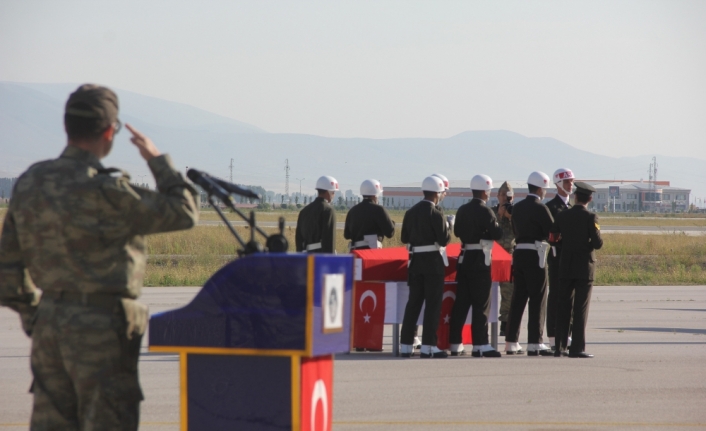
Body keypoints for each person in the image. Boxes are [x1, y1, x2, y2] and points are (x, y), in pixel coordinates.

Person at [0, 84, 199, 430]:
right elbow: (184, 211)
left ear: (67, 127)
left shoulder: (31, 182)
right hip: (103, 330)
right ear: (110, 131)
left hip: (50, 328)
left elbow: (7, 272)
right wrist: (155, 159)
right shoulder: (106, 190)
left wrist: (38, 315)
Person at [448, 174, 503, 357]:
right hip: (481, 260)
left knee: (462, 303)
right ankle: (481, 344)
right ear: (486, 192)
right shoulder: (486, 211)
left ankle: (455, 342)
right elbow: (497, 233)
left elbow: (456, 231)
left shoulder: (463, 210)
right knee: (481, 304)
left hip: (465, 259)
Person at [399, 176, 451, 358]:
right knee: (432, 305)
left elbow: (404, 238)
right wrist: (448, 225)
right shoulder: (436, 213)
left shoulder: (411, 212)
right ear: (437, 193)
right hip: (433, 264)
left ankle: (406, 345)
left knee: (413, 303)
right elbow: (444, 239)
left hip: (415, 262)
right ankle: (429, 346)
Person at [504, 171, 554, 356]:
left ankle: (511, 341)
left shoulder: (517, 208)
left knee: (518, 298)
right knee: (538, 298)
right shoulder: (541, 208)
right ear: (540, 188)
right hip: (536, 253)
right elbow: (551, 232)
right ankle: (535, 341)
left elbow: (514, 229)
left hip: (519, 253)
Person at [551, 182, 603, 358]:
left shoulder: (562, 216)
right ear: (589, 199)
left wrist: (567, 244)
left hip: (565, 265)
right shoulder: (591, 217)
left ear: (575, 197)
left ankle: (559, 347)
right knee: (580, 308)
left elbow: (552, 238)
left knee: (563, 306)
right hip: (584, 267)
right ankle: (577, 347)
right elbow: (598, 243)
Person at [545, 168, 575, 349]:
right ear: (558, 184)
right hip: (557, 257)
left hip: (570, 257)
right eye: (566, 182)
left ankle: (567, 334)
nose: (570, 184)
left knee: (570, 297)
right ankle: (553, 335)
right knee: (555, 296)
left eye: (571, 181)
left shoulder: (571, 207)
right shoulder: (551, 208)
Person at [491, 181, 515, 336]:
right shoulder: (491, 212)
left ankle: (505, 324)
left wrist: (510, 216)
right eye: (503, 196)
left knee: (509, 291)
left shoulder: (516, 212)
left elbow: (521, 230)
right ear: (498, 196)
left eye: (509, 197)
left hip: (509, 254)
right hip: (494, 255)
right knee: (490, 292)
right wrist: (499, 216)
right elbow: (490, 230)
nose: (506, 200)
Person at [343, 179, 395, 251]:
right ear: (375, 195)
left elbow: (347, 235)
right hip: (372, 253)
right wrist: (392, 223)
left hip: (356, 253)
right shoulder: (379, 209)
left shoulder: (352, 211)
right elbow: (390, 233)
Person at [295, 176, 338, 253]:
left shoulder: (304, 211)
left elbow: (298, 239)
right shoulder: (328, 210)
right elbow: (329, 240)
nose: (334, 195)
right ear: (329, 192)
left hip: (305, 258)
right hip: (320, 257)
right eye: (333, 192)